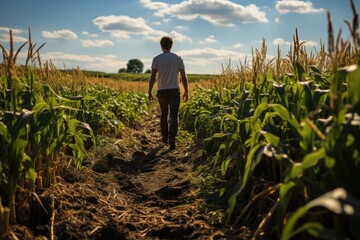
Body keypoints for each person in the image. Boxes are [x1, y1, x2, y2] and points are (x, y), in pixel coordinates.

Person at [148, 35, 189, 150]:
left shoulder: (156, 59)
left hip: (162, 91)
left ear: (161, 46)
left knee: (164, 114)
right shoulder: (178, 58)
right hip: (175, 90)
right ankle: (172, 139)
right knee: (174, 115)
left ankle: (165, 137)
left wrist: (149, 91)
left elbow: (152, 77)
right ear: (171, 45)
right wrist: (186, 91)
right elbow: (184, 77)